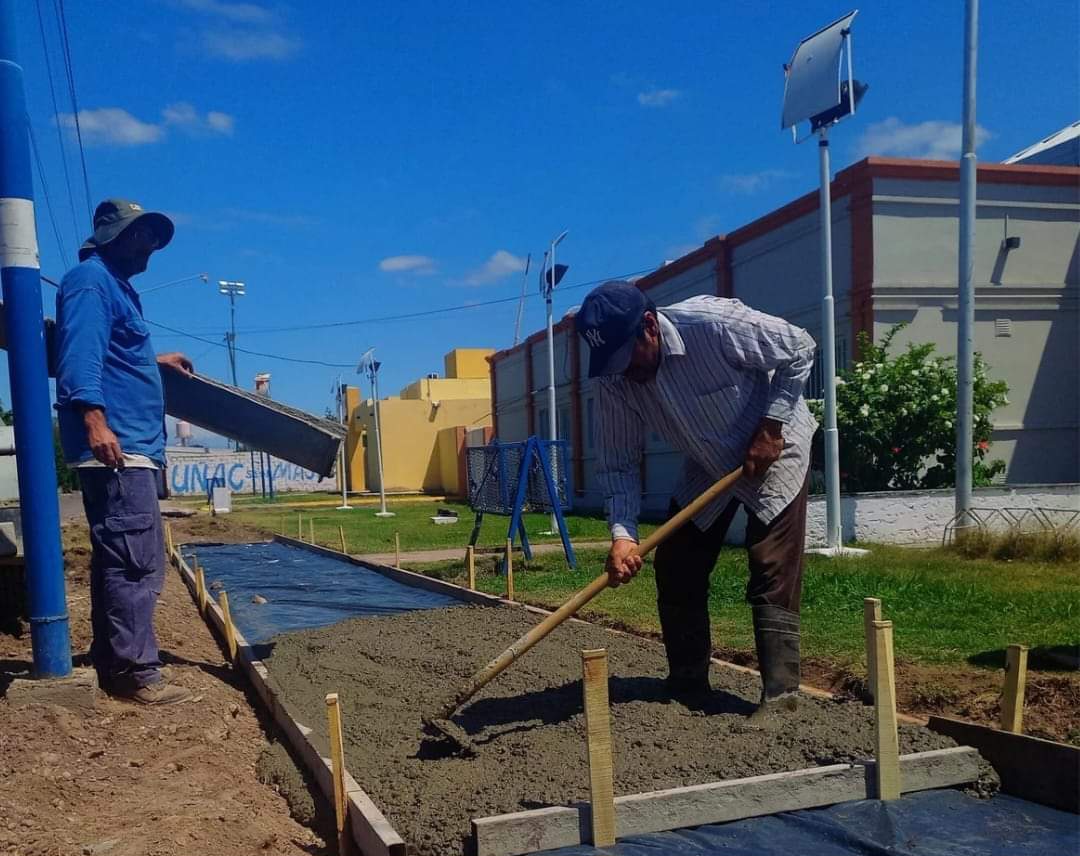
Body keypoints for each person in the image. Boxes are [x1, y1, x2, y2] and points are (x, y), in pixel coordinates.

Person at [575, 280, 816, 722]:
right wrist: (623, 535)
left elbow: (800, 346)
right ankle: (688, 681)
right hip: (707, 462)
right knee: (677, 562)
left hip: (773, 451)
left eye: (626, 357)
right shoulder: (614, 380)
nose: (623, 371)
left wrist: (772, 426)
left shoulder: (713, 325)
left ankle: (782, 700)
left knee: (770, 566)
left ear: (649, 326)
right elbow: (618, 463)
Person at [54, 199, 194, 705]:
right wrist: (95, 420)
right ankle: (135, 674)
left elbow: (111, 349)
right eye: (141, 238)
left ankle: (116, 660)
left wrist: (152, 359)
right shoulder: (91, 281)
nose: (150, 249)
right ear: (113, 236)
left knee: (121, 560)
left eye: (154, 240)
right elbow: (79, 355)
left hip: (130, 448)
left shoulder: (115, 288)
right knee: (135, 563)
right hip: (118, 449)